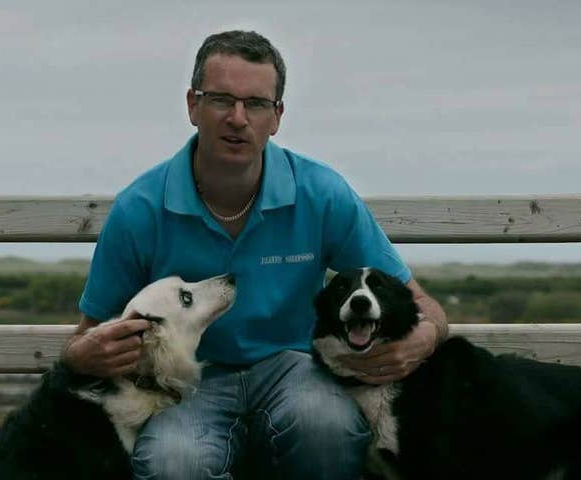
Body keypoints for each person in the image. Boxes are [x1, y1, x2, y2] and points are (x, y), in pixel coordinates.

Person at [62, 30, 448, 480]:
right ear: (193, 105)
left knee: (329, 429)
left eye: (257, 103)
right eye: (222, 99)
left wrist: (426, 337)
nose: (238, 118)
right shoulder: (140, 208)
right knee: (172, 463)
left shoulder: (321, 192)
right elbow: (84, 340)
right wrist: (80, 356)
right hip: (188, 386)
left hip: (296, 367)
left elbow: (425, 307)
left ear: (277, 116)